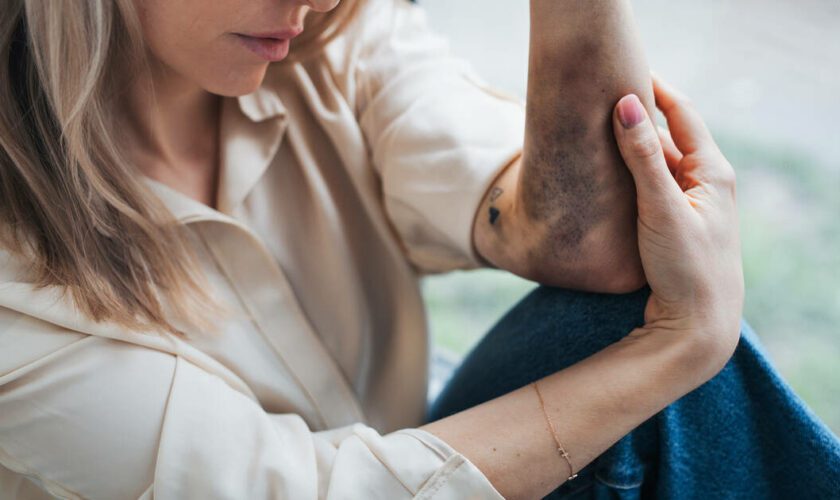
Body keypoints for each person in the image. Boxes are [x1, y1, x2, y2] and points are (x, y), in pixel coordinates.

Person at [0, 0, 837, 499]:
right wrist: (682, 347)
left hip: (428, 455)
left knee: (613, 329)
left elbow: (593, 245)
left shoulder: (332, 45)